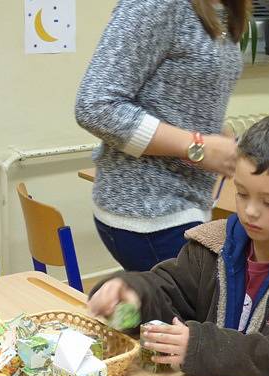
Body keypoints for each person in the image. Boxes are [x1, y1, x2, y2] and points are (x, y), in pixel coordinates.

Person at [88, 112, 269, 376]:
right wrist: (132, 292)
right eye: (241, 193)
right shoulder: (214, 244)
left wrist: (201, 346)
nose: (250, 211)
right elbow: (169, 289)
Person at [75, 0, 250, 271]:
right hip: (148, 210)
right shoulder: (157, 4)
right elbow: (95, 106)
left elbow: (179, 100)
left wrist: (221, 138)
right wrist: (197, 146)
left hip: (184, 202)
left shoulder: (225, 9)